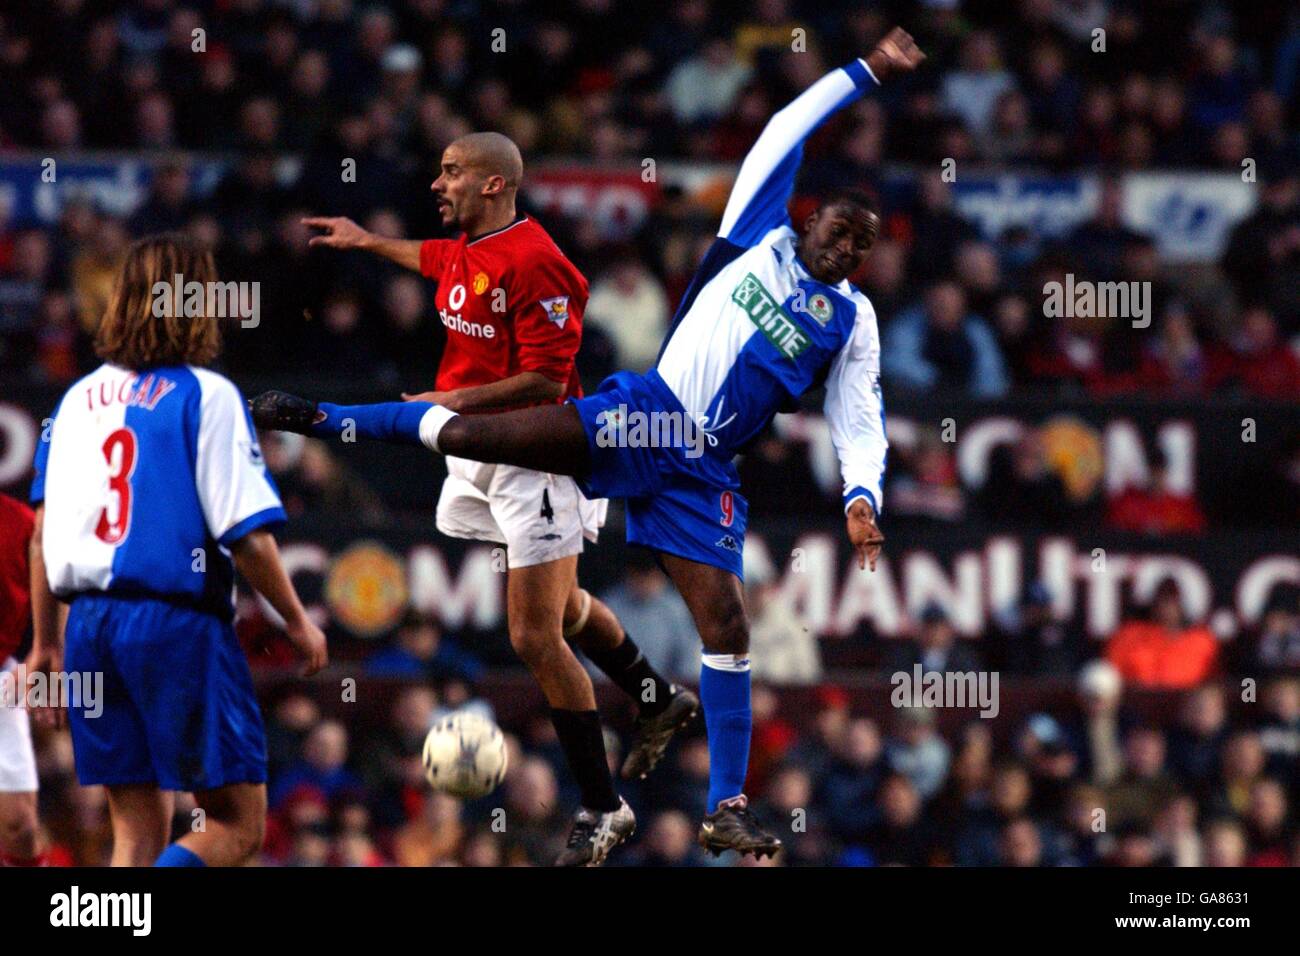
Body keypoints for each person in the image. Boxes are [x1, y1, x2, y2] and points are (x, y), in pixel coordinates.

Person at [253, 26, 926, 856]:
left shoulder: (852, 321)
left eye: (862, 243)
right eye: (836, 229)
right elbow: (783, 127)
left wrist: (864, 496)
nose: (845, 248)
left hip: (706, 466)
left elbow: (859, 415)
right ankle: (326, 418)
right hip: (650, 413)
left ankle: (724, 803)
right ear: (809, 218)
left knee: (727, 626)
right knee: (474, 435)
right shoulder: (758, 230)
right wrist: (864, 73)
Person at [297, 130, 696, 866]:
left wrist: (453, 401)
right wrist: (365, 241)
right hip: (485, 449)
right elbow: (435, 260)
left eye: (450, 172)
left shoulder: (539, 262)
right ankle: (655, 696)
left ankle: (604, 807)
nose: (435, 183)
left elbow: (547, 381)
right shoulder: (471, 247)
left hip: (540, 456)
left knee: (534, 637)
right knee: (566, 611)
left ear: (491, 185)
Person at [26, 234, 328, 867]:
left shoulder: (75, 400)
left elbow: (40, 533)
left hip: (88, 628)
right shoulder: (207, 394)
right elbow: (245, 532)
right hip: (174, 625)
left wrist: (45, 645)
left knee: (135, 834)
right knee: (238, 826)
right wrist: (296, 621)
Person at [0, 493, 43, 865]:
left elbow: (53, 595)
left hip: (1, 675)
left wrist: (42, 655)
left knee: (20, 825)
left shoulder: (24, 525)